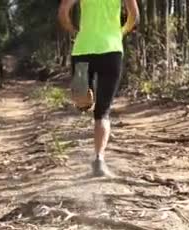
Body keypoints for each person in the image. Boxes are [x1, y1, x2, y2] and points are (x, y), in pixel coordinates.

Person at [58, 0, 139, 177]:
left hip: (83, 50)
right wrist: (121, 31)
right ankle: (99, 159)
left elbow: (63, 11)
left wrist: (74, 31)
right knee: (103, 112)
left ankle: (84, 100)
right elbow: (134, 13)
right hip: (111, 50)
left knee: (82, 102)